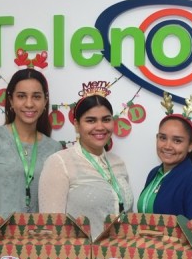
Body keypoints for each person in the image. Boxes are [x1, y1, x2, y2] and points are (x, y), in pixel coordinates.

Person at [0, 68, 61, 244]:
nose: (29, 103)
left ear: (45, 101)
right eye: (21, 96)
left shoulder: (54, 148)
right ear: (11, 100)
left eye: (36, 96)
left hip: (37, 244)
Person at [39, 93, 134, 239]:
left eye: (106, 119)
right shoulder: (60, 163)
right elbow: (51, 228)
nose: (100, 127)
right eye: (91, 120)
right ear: (77, 125)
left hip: (121, 251)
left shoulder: (118, 163)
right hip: (80, 252)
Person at [138, 112, 192, 235]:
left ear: (191, 145)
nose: (167, 146)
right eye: (163, 138)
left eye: (177, 141)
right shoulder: (154, 174)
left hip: (173, 248)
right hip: (144, 246)